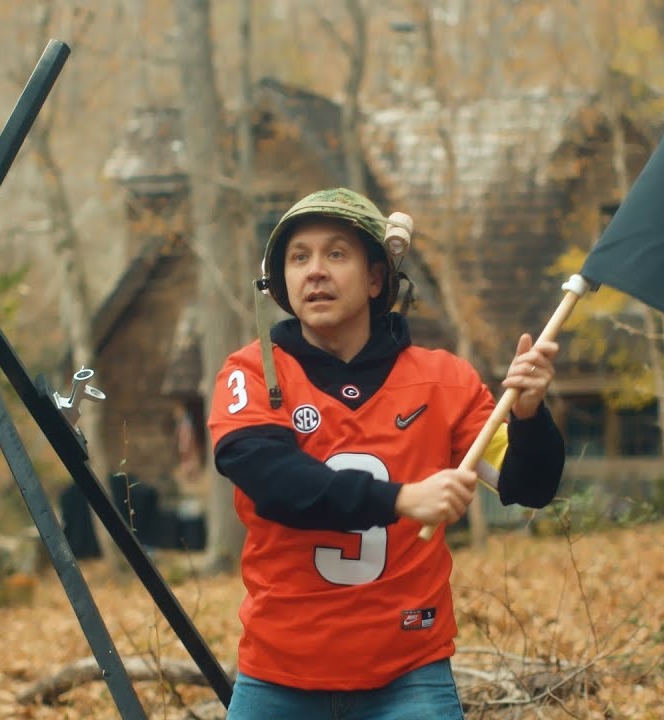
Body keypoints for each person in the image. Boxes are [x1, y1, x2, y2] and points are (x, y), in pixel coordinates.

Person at [208, 188, 566, 719]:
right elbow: (276, 483)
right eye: (299, 257)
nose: (315, 272)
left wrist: (531, 415)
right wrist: (402, 499)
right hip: (279, 670)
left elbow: (528, 485)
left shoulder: (446, 380)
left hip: (408, 672)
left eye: (336, 254)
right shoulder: (253, 373)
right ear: (281, 281)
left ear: (376, 278)